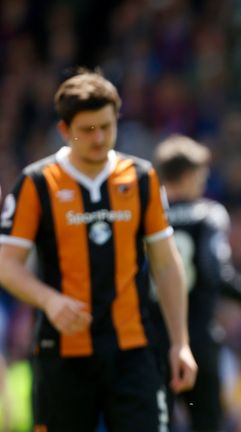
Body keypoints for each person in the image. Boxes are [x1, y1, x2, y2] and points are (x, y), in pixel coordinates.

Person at [0, 70, 197, 431]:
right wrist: (50, 300)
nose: (99, 138)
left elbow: (167, 265)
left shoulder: (141, 178)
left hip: (133, 350)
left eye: (107, 126)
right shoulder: (36, 183)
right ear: (64, 130)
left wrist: (180, 342)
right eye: (87, 129)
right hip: (62, 353)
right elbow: (6, 265)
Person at [151, 134, 241, 431]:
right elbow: (215, 272)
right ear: (190, 175)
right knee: (207, 423)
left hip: (151, 338)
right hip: (197, 337)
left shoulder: (148, 215)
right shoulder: (208, 215)